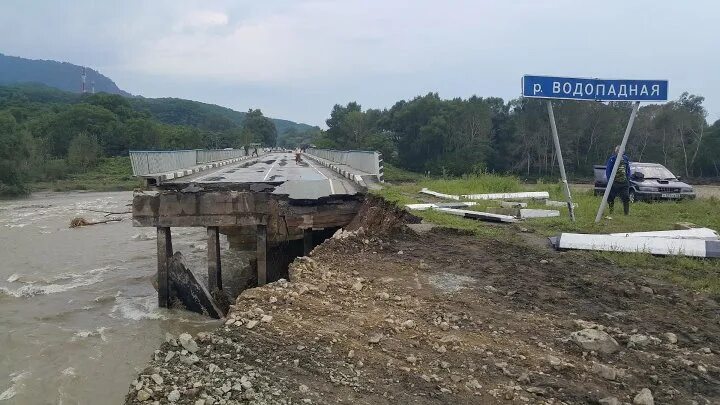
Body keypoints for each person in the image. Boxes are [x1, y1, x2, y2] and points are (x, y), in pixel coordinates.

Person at [605, 145, 631, 215]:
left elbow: (628, 169)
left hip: (624, 182)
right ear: (616, 152)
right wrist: (610, 181)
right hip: (614, 182)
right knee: (611, 198)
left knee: (626, 197)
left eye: (622, 151)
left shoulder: (626, 159)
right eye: (618, 151)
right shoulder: (612, 159)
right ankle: (611, 211)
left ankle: (626, 213)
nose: (620, 152)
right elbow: (608, 170)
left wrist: (628, 177)